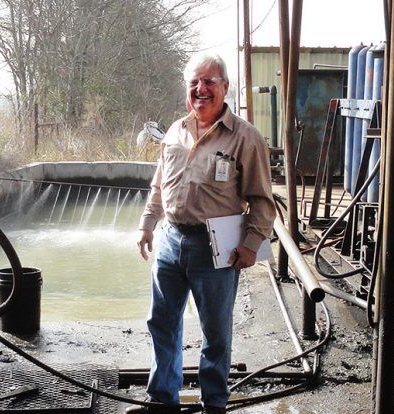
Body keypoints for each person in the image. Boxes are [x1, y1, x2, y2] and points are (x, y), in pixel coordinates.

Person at [129, 52, 275, 414]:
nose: (201, 89)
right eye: (194, 82)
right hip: (170, 240)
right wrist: (147, 224)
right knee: (162, 322)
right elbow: (160, 185)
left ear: (225, 87)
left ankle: (214, 404)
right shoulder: (175, 131)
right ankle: (162, 400)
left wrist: (251, 244)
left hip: (215, 247)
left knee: (215, 333)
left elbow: (262, 200)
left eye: (209, 81)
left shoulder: (246, 138)